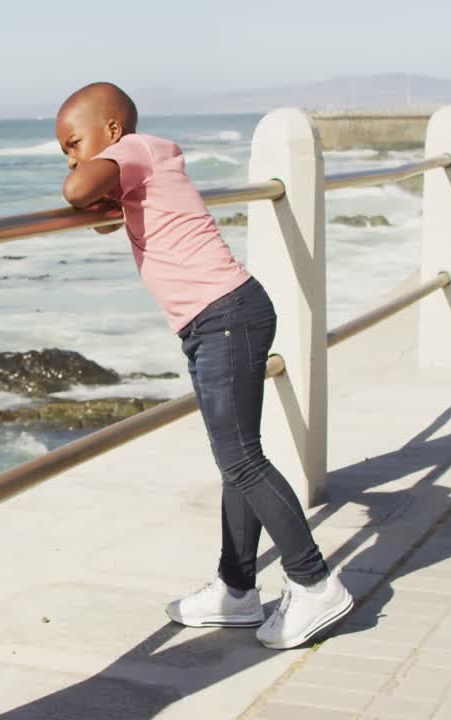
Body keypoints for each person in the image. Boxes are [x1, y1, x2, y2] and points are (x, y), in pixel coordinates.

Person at [54, 82, 353, 650]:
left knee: (242, 458)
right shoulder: (144, 163)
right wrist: (103, 197)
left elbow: (77, 190)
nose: (71, 157)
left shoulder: (136, 151)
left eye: (73, 143)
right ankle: (238, 590)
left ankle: (315, 582)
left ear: (112, 131)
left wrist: (85, 178)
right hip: (218, 320)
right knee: (236, 457)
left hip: (225, 318)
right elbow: (98, 213)